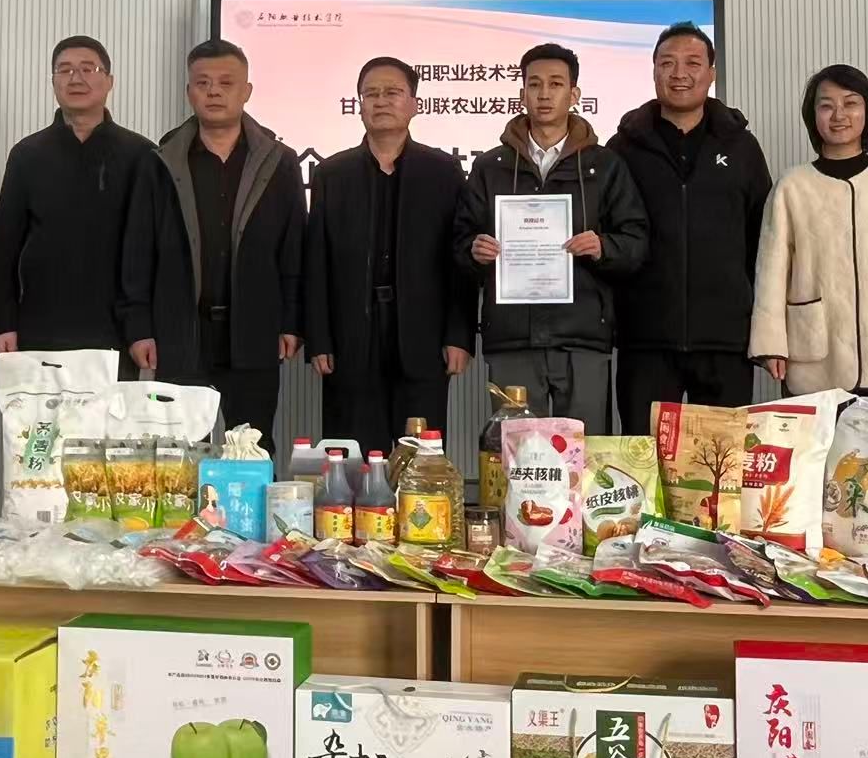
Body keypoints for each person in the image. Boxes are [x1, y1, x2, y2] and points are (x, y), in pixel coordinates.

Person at [454, 43, 648, 433]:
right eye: (535, 84)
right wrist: (474, 251)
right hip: (512, 338)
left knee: (583, 452)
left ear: (574, 95)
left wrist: (603, 247)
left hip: (583, 335)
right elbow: (459, 241)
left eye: (556, 84)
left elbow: (636, 241)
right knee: (519, 453)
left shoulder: (604, 165)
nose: (544, 94)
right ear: (522, 93)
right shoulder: (491, 166)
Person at [121, 40, 304, 454]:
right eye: (203, 83)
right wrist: (139, 327)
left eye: (226, 82)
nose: (214, 91)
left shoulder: (279, 161)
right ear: (189, 92)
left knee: (254, 449)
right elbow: (138, 251)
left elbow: (293, 248)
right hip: (180, 332)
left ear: (247, 91)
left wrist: (291, 321)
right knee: (181, 453)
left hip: (254, 330)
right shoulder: (159, 162)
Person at [751, 65, 868, 413]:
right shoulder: (792, 186)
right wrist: (771, 343)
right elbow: (771, 271)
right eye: (826, 105)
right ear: (813, 116)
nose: (839, 115)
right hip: (814, 355)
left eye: (850, 103)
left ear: (867, 111)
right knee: (818, 450)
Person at [608, 23, 771, 433]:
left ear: (711, 73)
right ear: (653, 71)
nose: (679, 73)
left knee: (719, 463)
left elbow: (763, 240)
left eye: (693, 63)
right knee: (644, 460)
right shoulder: (622, 148)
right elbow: (609, 236)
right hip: (645, 339)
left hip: (725, 340)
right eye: (668, 63)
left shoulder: (742, 147)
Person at [305, 57, 475, 453]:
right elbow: (317, 261)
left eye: (393, 93)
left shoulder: (443, 171)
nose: (381, 101)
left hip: (423, 336)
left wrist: (458, 335)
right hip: (350, 336)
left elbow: (459, 262)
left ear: (414, 104)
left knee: (419, 457)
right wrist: (319, 338)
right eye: (371, 94)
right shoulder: (333, 173)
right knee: (353, 455)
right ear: (359, 105)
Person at [0, 36, 155, 368]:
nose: (75, 78)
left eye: (88, 69)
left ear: (109, 81)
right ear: (53, 82)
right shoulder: (27, 154)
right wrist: (4, 322)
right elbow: (4, 246)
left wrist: (142, 329)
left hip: (117, 329)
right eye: (64, 70)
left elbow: (149, 250)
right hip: (40, 325)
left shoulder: (141, 154)